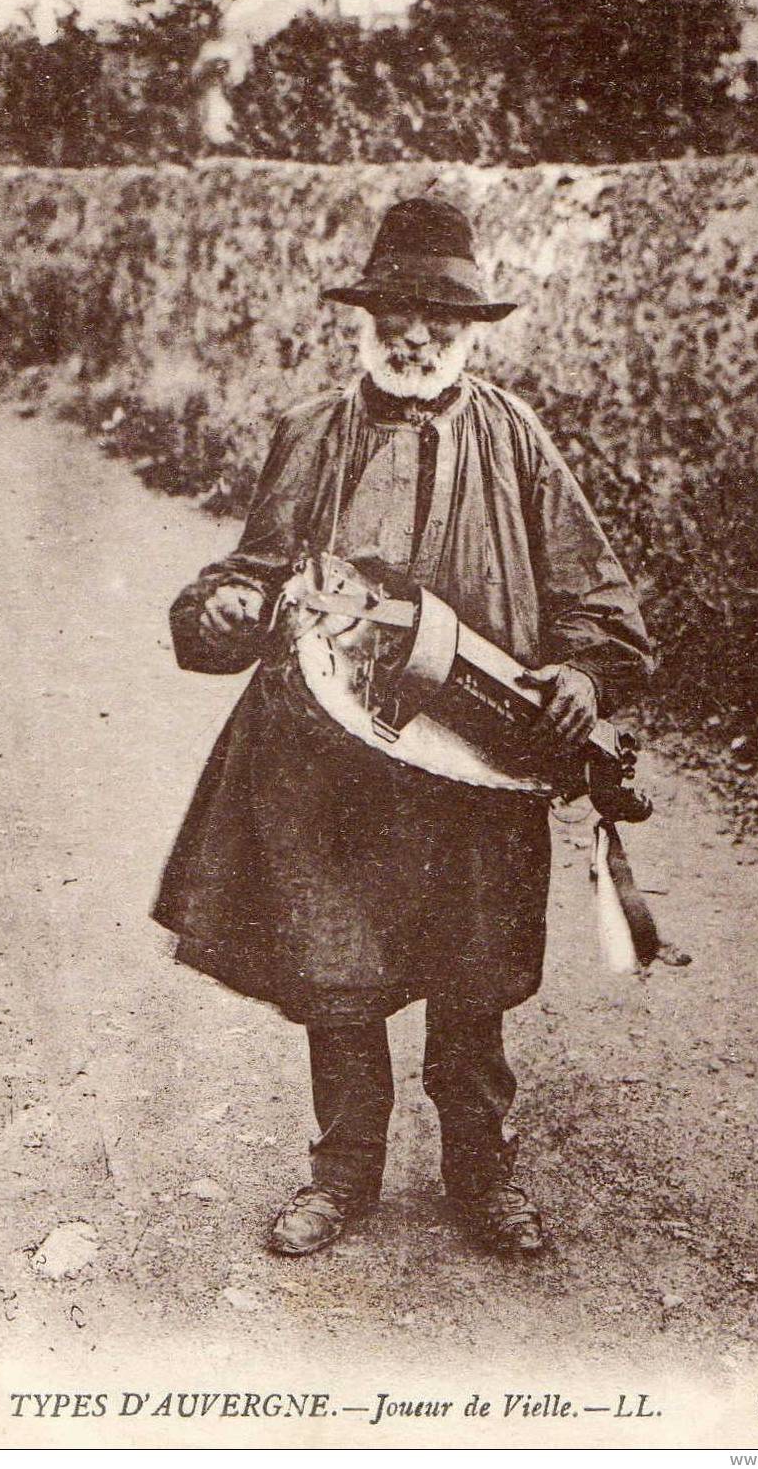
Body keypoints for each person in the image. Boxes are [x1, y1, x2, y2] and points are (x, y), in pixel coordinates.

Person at [154, 196, 654, 1258]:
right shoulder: (311, 434)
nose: (415, 332)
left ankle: (482, 1174)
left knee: (473, 972)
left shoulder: (517, 439)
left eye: (438, 314)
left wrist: (578, 669)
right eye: (394, 310)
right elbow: (243, 578)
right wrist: (224, 610)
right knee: (336, 970)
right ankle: (341, 1175)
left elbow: (600, 604)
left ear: (472, 328)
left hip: (474, 761)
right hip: (324, 758)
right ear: (364, 319)